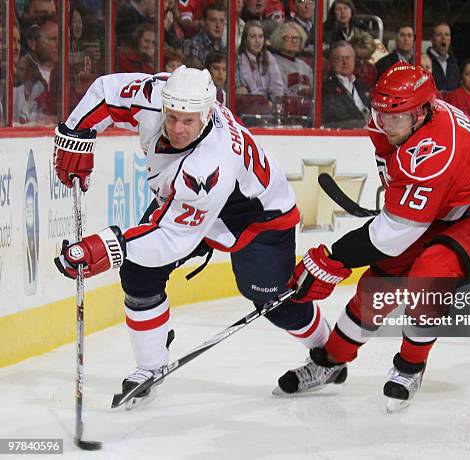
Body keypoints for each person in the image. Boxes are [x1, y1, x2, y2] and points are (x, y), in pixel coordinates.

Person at [52, 65, 333, 405]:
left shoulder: (208, 165)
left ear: (207, 113)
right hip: (187, 209)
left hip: (257, 218)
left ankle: (329, 353)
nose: (177, 128)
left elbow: (172, 239)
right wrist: (76, 134)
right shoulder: (156, 95)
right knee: (138, 272)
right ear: (164, 105)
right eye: (171, 118)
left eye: (188, 121)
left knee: (271, 302)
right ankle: (150, 366)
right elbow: (106, 92)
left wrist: (107, 246)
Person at [274, 63, 470, 412]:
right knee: (379, 283)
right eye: (381, 113)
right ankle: (330, 362)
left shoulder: (436, 149)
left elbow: (392, 235)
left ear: (422, 113)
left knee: (431, 272)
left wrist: (334, 258)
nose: (385, 124)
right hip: (448, 207)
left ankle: (410, 366)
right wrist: (400, 207)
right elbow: (398, 196)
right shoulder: (393, 119)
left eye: (395, 117)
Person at [321, 40, 370, 129]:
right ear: (332, 62)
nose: (345, 62)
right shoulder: (326, 87)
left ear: (354, 60)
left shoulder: (362, 86)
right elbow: (337, 116)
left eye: (348, 58)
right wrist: (363, 123)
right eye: (340, 59)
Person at [236, 20, 285, 102]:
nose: (257, 41)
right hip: (250, 105)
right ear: (245, 40)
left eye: (260, 36)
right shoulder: (240, 59)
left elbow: (277, 87)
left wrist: (276, 102)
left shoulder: (269, 57)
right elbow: (251, 89)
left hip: (269, 107)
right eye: (252, 36)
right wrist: (264, 103)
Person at [269, 21, 313, 96]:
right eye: (289, 37)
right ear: (279, 39)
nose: (294, 41)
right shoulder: (273, 63)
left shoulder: (306, 67)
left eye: (297, 38)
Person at [182, 3, 226, 67]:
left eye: (221, 21)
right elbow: (196, 75)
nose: (218, 25)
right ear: (203, 22)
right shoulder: (192, 45)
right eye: (213, 20)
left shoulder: (227, 49)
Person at [426, 20, 460, 92]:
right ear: (432, 39)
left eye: (447, 35)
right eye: (439, 35)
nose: (443, 38)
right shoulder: (425, 61)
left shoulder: (453, 62)